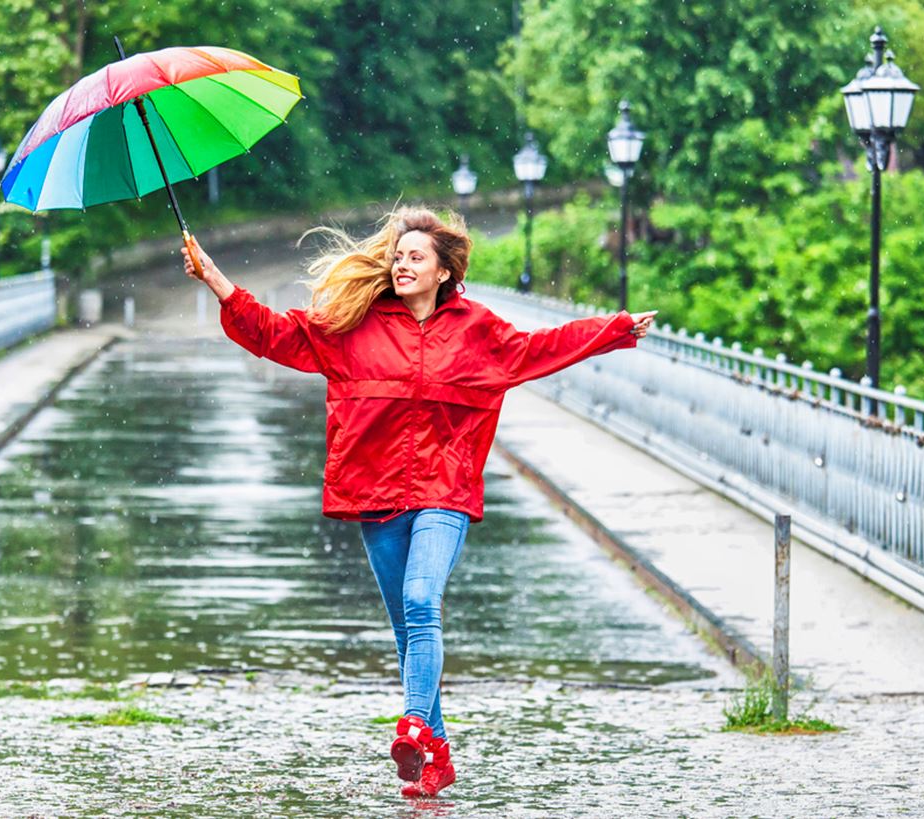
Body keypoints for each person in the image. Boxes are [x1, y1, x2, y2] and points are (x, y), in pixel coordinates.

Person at [181, 208, 655, 799]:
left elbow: (542, 347)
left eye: (415, 258)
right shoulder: (353, 326)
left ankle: (411, 725)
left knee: (421, 598)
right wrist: (215, 280)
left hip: (445, 490)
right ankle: (437, 752)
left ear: (443, 271)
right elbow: (276, 333)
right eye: (397, 257)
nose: (402, 265)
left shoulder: (478, 332)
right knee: (409, 632)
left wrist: (614, 329)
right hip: (375, 493)